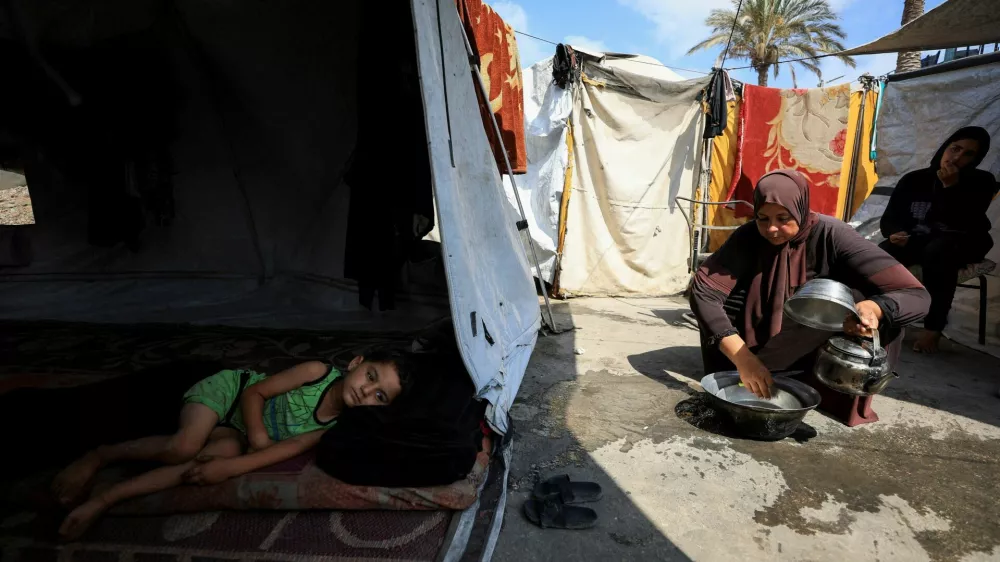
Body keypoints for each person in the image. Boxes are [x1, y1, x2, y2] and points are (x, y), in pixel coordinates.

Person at [51, 349, 413, 541]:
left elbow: (284, 450)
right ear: (356, 363)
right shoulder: (316, 372)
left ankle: (105, 498)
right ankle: (99, 455)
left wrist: (229, 467)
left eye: (379, 395)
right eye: (369, 376)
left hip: (236, 434)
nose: (365, 390)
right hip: (233, 394)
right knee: (183, 446)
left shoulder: (334, 427)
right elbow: (256, 392)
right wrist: (257, 436)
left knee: (202, 466)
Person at [689, 169, 930, 401]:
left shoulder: (833, 234)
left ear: (801, 209)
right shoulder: (749, 236)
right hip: (752, 339)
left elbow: (915, 295)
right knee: (723, 301)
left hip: (811, 336)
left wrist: (874, 308)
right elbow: (704, 292)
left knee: (872, 303)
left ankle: (822, 383)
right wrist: (743, 358)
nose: (772, 228)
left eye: (783, 218)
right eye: (763, 218)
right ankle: (750, 367)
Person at [878, 126, 998, 353]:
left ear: (977, 158)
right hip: (919, 239)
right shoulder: (914, 180)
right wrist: (895, 233)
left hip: (964, 240)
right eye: (955, 149)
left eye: (968, 154)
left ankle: (933, 329)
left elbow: (964, 222)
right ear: (946, 147)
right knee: (882, 253)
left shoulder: (982, 182)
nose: (958, 157)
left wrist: (950, 188)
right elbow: (890, 219)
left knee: (939, 252)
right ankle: (873, 314)